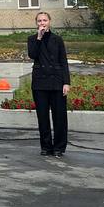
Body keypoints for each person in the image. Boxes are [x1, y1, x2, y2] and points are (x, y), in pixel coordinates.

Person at [27, 12, 71, 156]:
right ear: (36, 23)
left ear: (49, 22)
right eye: (39, 21)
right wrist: (39, 38)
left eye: (45, 20)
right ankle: (46, 147)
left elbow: (63, 61)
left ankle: (59, 147)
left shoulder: (57, 39)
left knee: (59, 117)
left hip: (57, 82)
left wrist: (66, 82)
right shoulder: (32, 39)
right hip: (40, 83)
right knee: (43, 117)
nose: (42, 23)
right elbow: (33, 55)